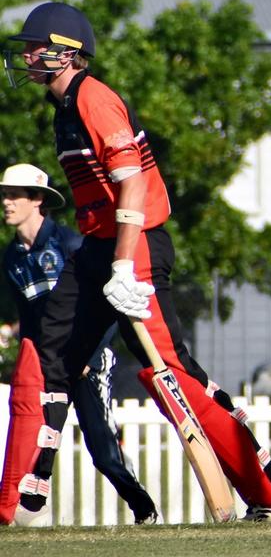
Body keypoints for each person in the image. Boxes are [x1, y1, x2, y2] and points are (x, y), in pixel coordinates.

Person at [1, 1, 271, 526]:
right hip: (97, 246)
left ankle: (269, 483)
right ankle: (29, 491)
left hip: (132, 243)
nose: (25, 55)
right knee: (51, 350)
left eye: (33, 46)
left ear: (64, 51)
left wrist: (122, 267)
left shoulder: (93, 98)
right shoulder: (63, 107)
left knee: (173, 371)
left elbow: (133, 181)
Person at [1, 163, 159, 525]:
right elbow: (27, 317)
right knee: (43, 445)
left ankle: (144, 510)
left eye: (14, 195)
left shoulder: (70, 244)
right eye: (4, 195)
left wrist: (89, 352)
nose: (7, 203)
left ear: (37, 199)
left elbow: (107, 305)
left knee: (102, 452)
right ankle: (26, 514)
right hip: (49, 364)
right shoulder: (11, 258)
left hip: (88, 359)